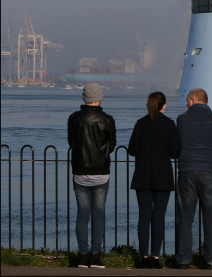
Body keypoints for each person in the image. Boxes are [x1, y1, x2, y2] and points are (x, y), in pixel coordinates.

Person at [175, 88, 212, 270]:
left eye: (187, 100)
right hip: (211, 172)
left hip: (187, 171)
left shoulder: (182, 120)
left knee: (185, 217)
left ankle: (183, 259)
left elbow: (177, 145)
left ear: (192, 100)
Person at [127, 91, 180, 269]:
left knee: (144, 216)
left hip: (143, 174)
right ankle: (156, 258)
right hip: (163, 175)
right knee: (159, 217)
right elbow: (175, 152)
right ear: (164, 105)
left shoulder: (140, 124)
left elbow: (132, 149)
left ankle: (143, 257)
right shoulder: (169, 125)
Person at [68, 82, 116, 269]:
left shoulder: (74, 118)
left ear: (84, 98)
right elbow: (111, 144)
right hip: (101, 172)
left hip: (80, 171)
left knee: (82, 214)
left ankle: (82, 255)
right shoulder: (107, 119)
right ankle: (96, 256)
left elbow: (71, 141)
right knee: (98, 214)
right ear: (100, 97)